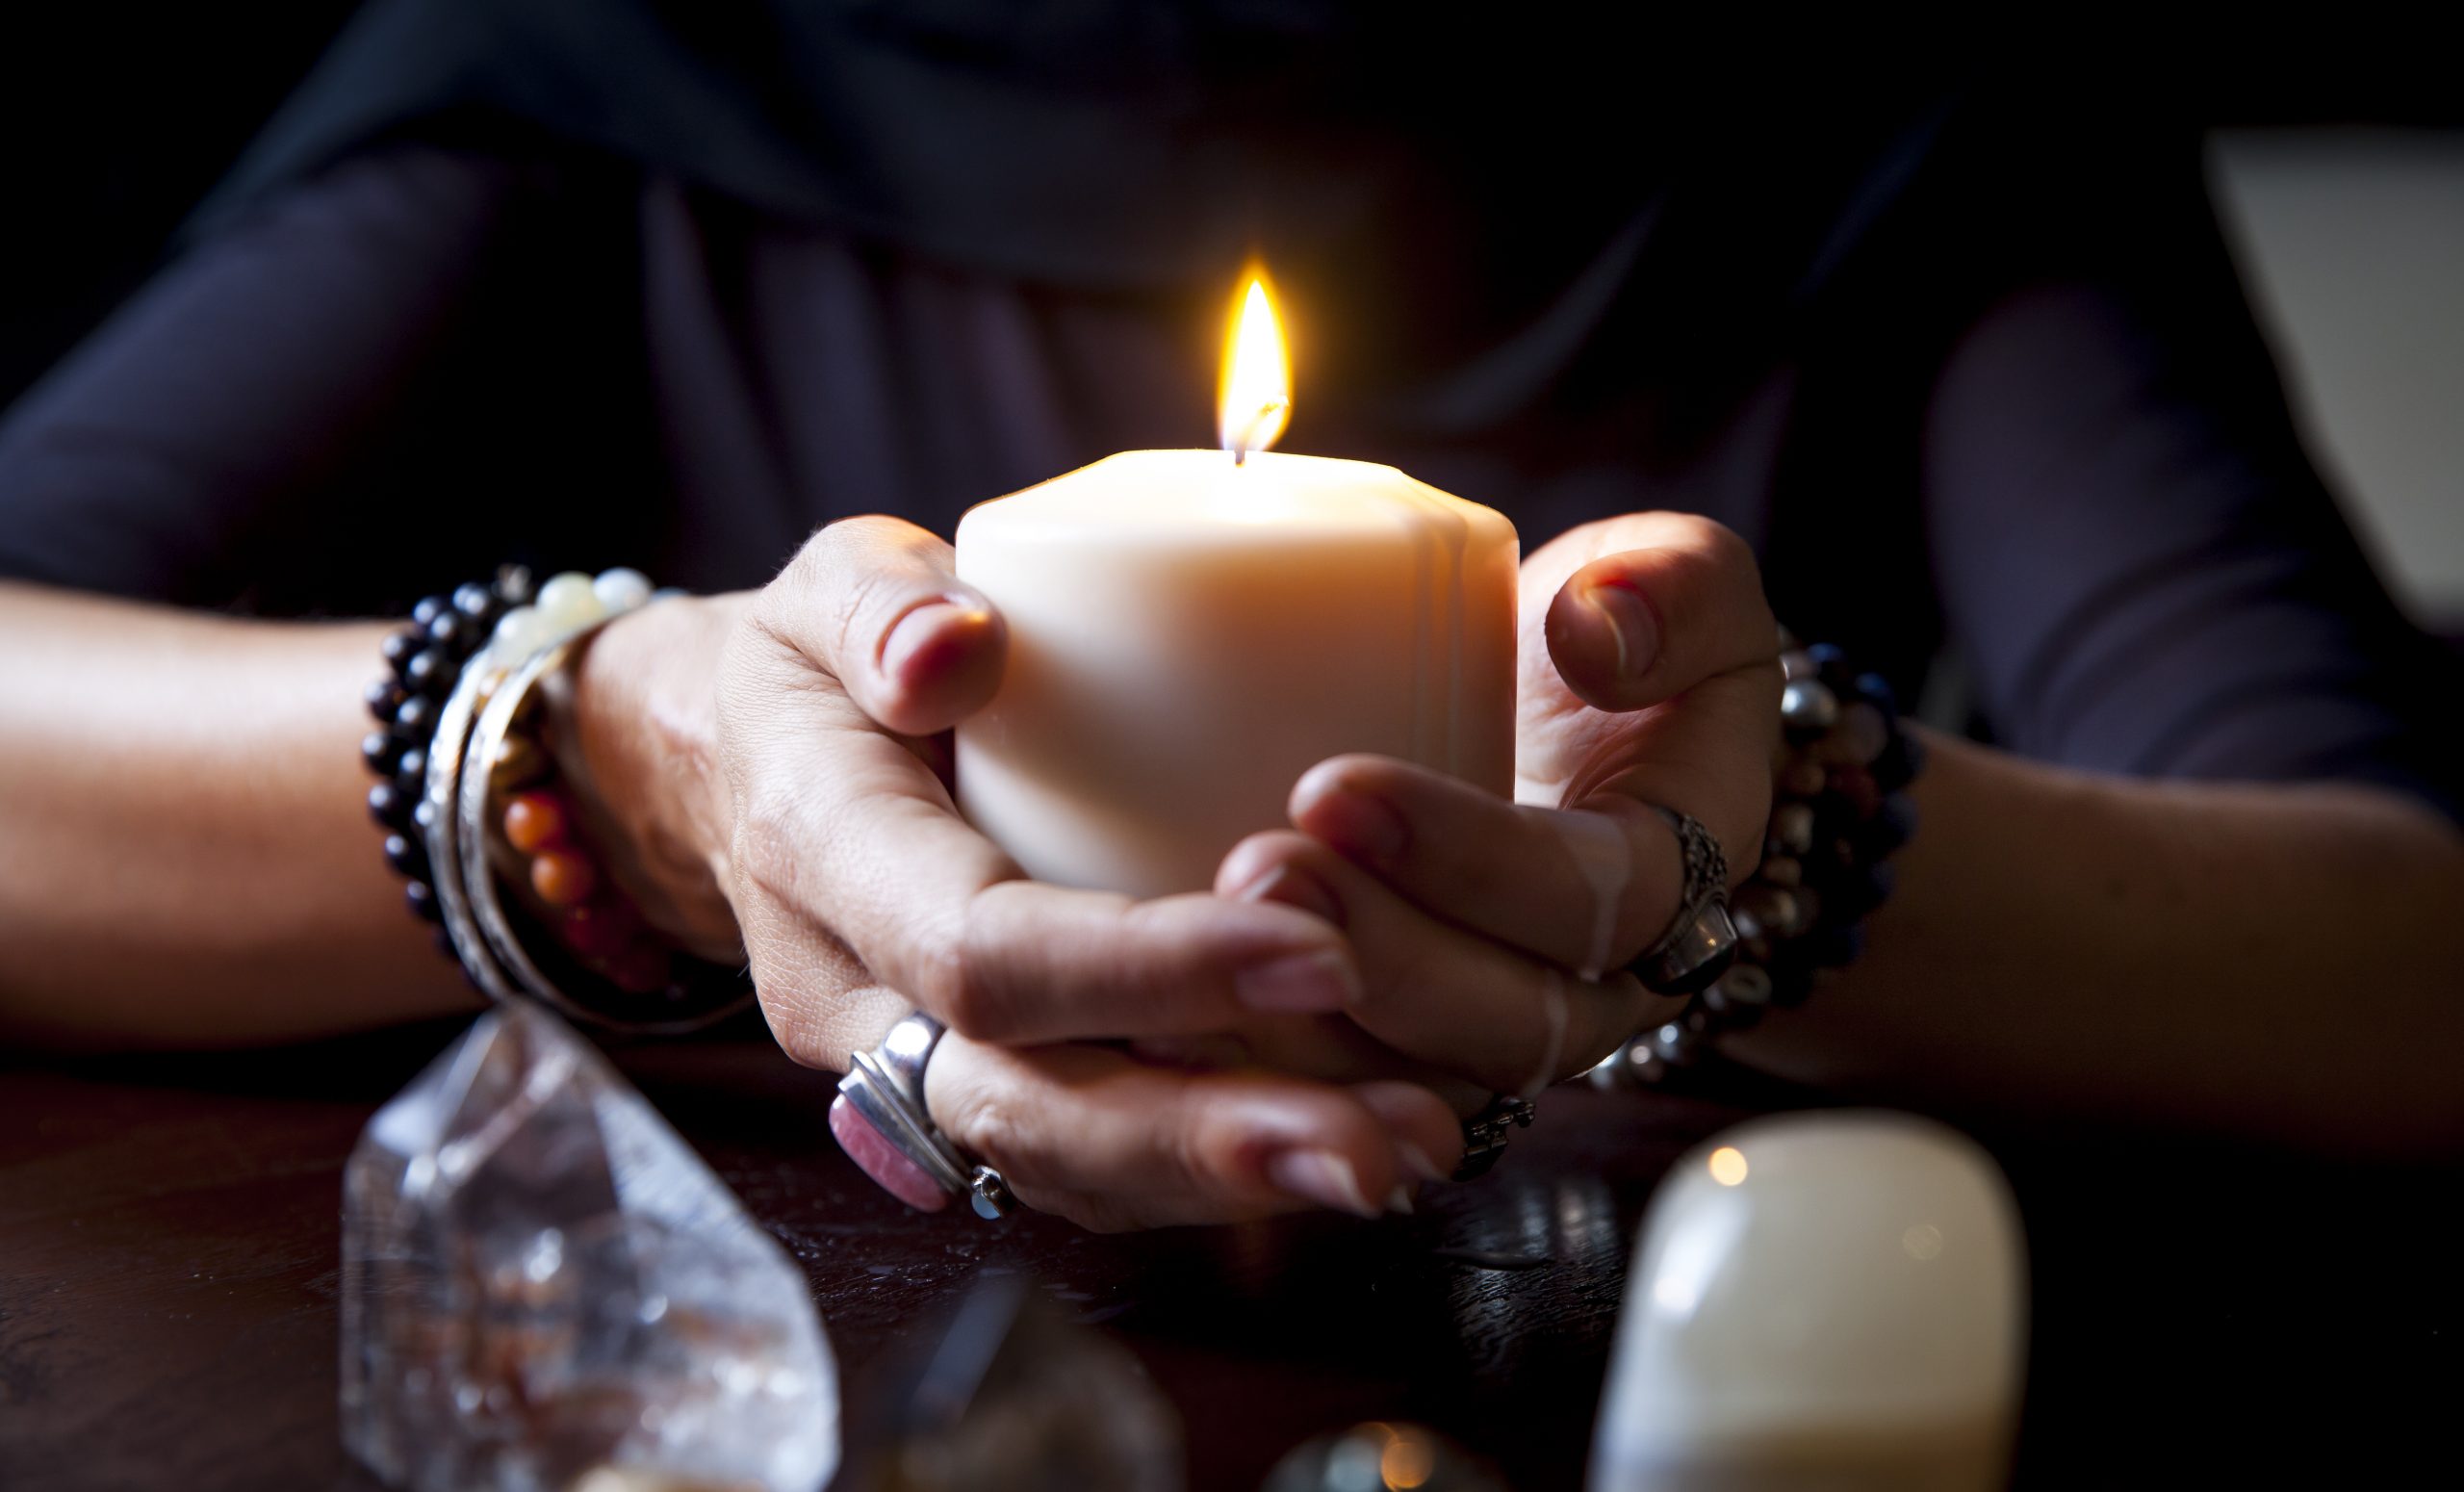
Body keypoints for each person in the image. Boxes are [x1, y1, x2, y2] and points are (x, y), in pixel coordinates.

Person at [4, 3, 2460, 1232]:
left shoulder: (1864, 117)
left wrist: (1758, 829)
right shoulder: (631, 71)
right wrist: (621, 762)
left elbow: (2399, 956)